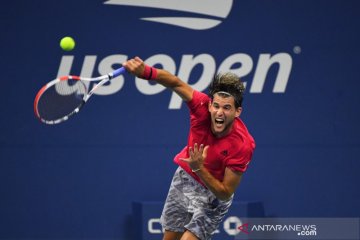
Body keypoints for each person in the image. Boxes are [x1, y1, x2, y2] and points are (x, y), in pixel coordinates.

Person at [123, 57, 255, 240]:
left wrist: (199, 168)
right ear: (209, 105)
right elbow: (175, 83)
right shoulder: (200, 105)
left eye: (226, 108)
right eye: (216, 106)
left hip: (214, 196)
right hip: (185, 180)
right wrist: (146, 71)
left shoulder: (243, 144)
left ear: (237, 111)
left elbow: (225, 193)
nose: (219, 112)